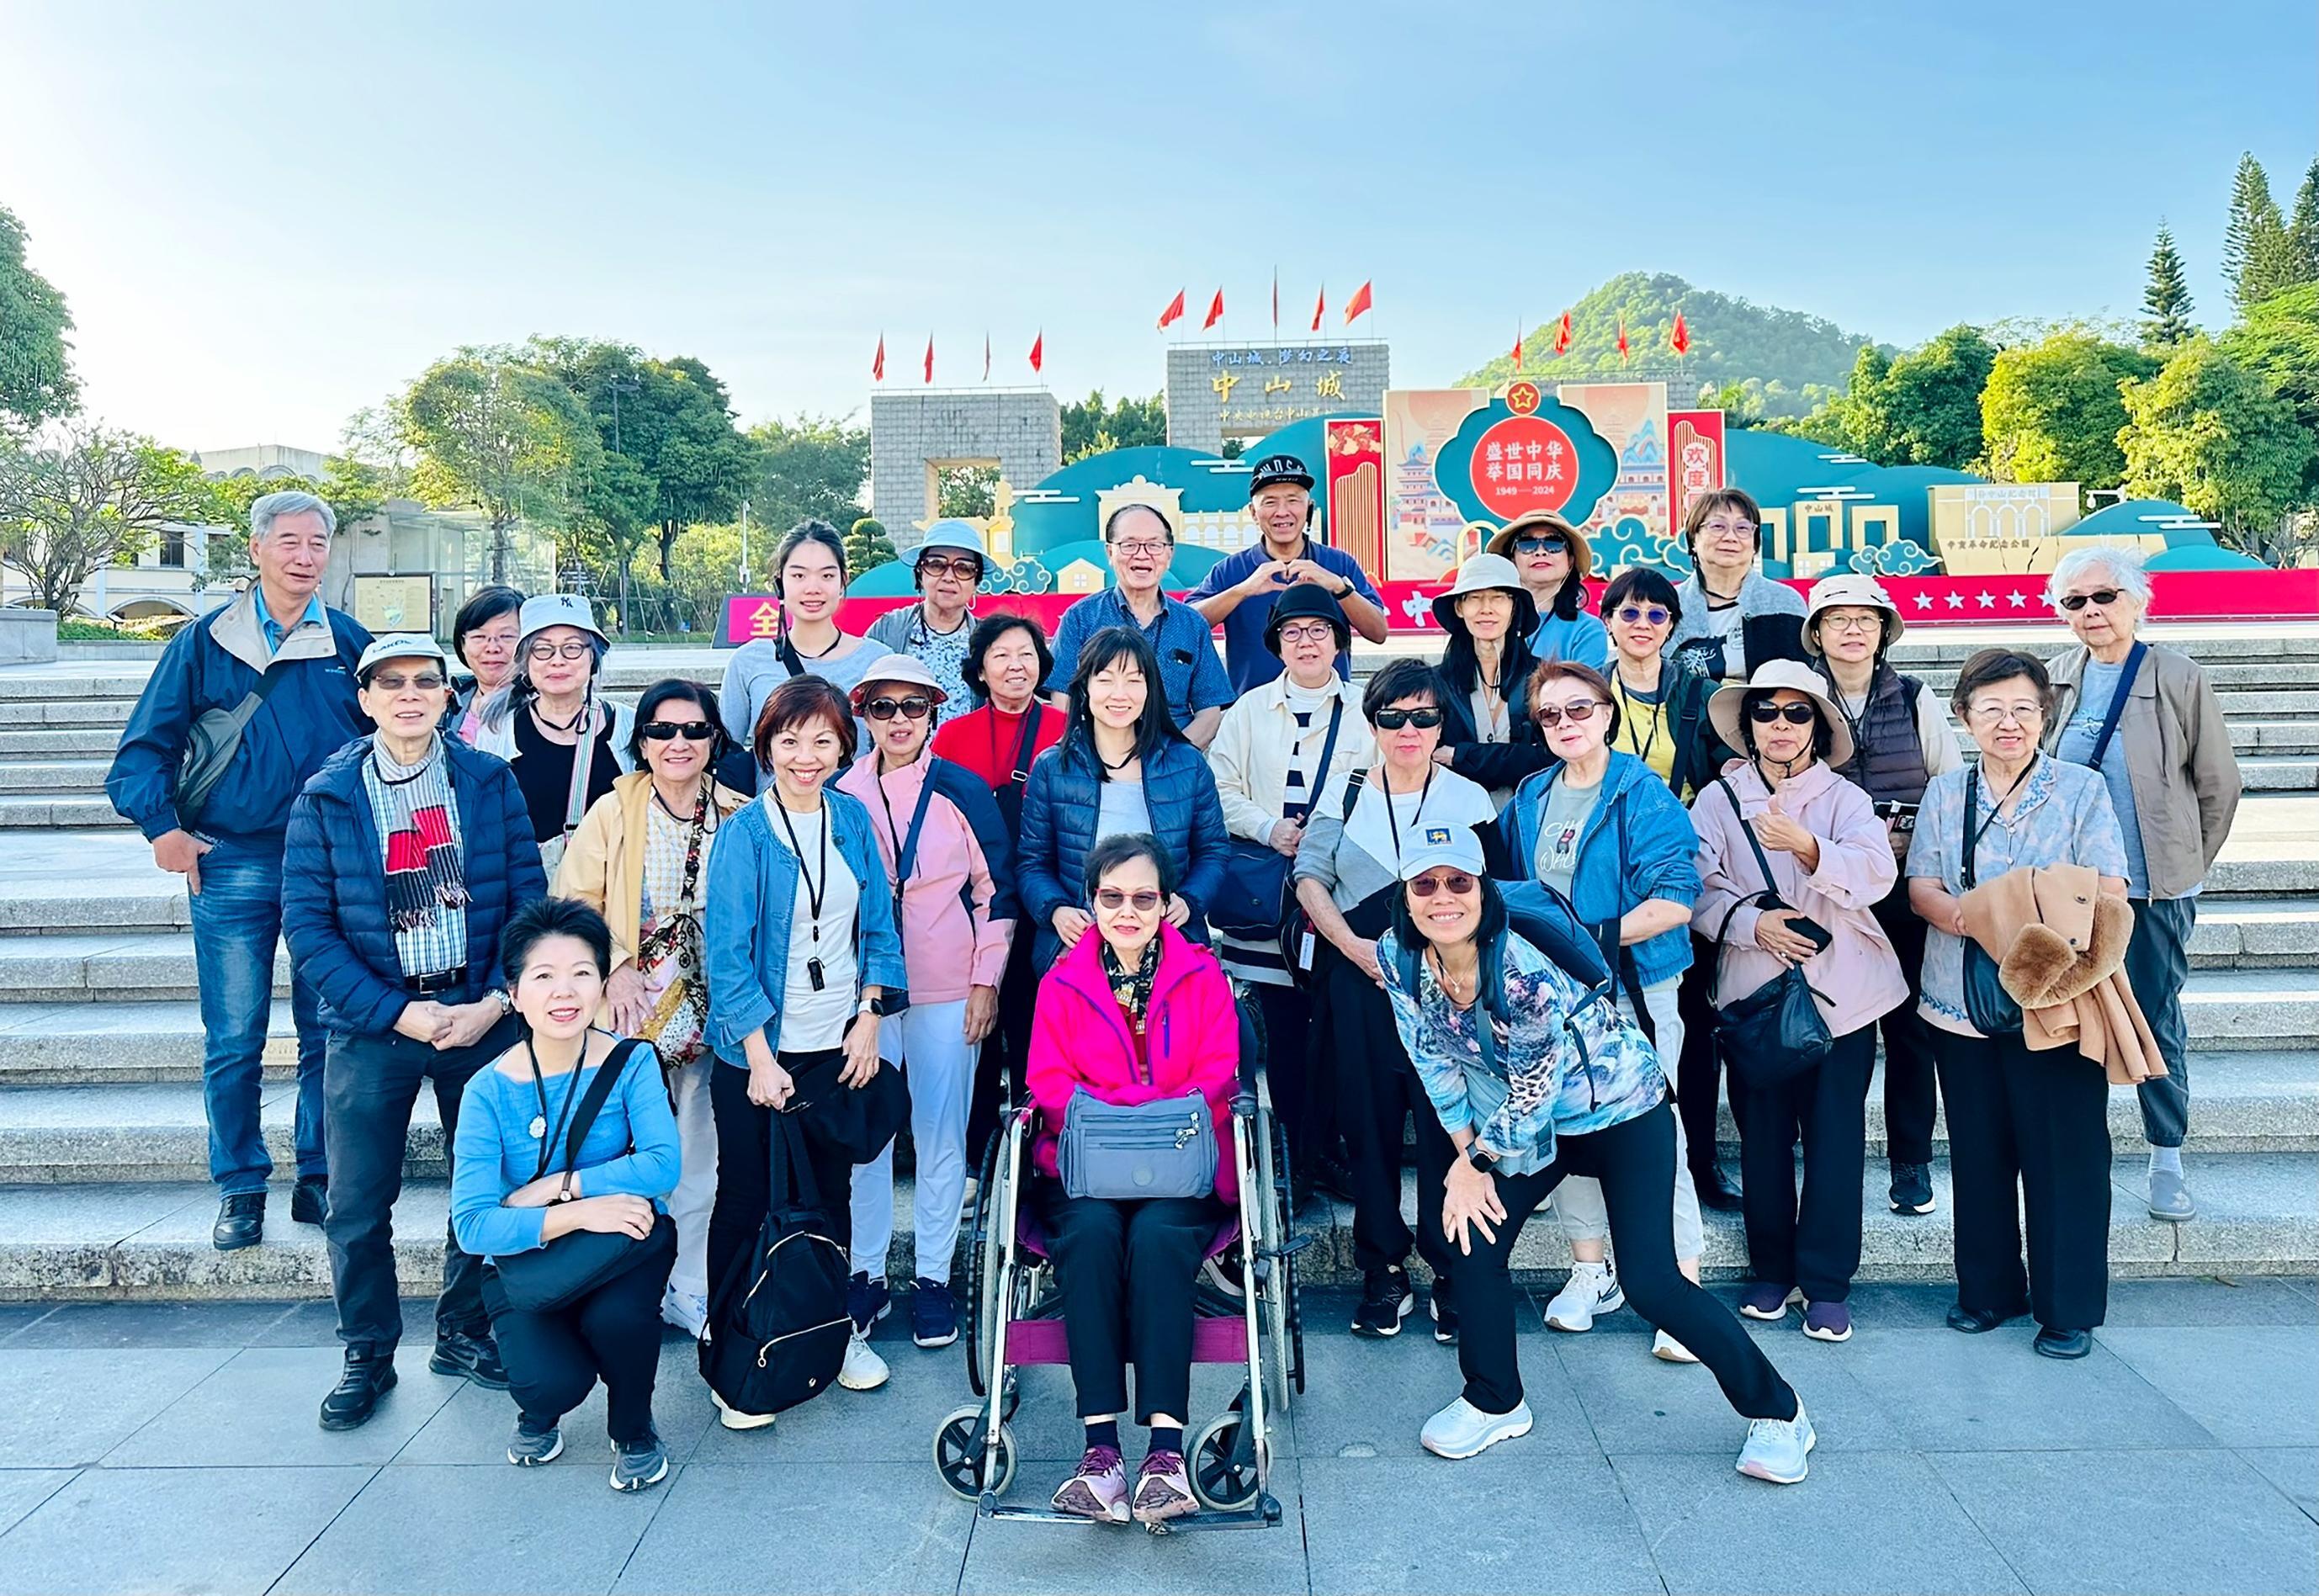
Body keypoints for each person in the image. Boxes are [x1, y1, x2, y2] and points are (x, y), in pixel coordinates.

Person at [1377, 829, 1816, 1481]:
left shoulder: (1519, 968)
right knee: (1471, 1235)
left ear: (1484, 889)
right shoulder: (1397, 954)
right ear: (1405, 896)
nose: (1444, 897)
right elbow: (1431, 1057)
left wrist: (1475, 1164)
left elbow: (1534, 1089)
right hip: (1536, 1123)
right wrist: (1466, 1156)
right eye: (1425, 883)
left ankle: (1781, 1411)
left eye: (1459, 881)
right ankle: (1495, 1398)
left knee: (1652, 1282)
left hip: (1623, 1109)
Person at [280, 633, 547, 1429]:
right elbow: (308, 929)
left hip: (476, 1013)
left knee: (486, 1185)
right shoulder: (327, 795)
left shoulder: (489, 781)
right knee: (357, 1202)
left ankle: (463, 1329)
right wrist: (397, 1011)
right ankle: (367, 1350)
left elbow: (528, 903)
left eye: (424, 682)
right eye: (390, 682)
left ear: (446, 696)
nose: (408, 695)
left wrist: (495, 1002)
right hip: (374, 1023)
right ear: (364, 699)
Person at [105, 490, 371, 1253]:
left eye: (317, 542)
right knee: (233, 1036)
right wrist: (164, 829)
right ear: (255, 549)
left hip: (329, 864)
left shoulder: (350, 642)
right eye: (288, 541)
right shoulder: (203, 643)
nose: (304, 556)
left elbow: (397, 735)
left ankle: (319, 1173)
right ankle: (241, 1184)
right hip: (232, 860)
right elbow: (142, 751)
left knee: (330, 1029)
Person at [1908, 650, 2130, 1359]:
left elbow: (2110, 886)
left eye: (2024, 709)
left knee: (2067, 1154)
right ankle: (1989, 1289)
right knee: (1978, 1152)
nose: (2009, 722)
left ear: (2044, 716)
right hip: (1961, 999)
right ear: (1964, 716)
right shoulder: (1947, 792)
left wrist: (2021, 925)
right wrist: (1982, 919)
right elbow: (1922, 887)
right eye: (1992, 709)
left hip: (2059, 999)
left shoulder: (2081, 788)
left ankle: (2068, 1307)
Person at [703, 674, 908, 1422]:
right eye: (790, 740)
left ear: (843, 746)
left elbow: (879, 926)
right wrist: (760, 1059)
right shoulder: (745, 835)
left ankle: (832, 1329)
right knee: (747, 1198)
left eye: (823, 740)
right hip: (757, 1053)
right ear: (766, 746)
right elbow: (727, 957)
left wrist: (870, 1015)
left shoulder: (850, 818)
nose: (806, 756)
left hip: (836, 1046)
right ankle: (732, 1347)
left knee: (831, 1195)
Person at [1497, 661, 1707, 1361]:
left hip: (1631, 989)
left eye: (1579, 708)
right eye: (1550, 714)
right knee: (1562, 1127)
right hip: (1550, 996)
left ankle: (1681, 1284)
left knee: (1655, 1133)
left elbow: (1676, 898)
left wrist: (1587, 937)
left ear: (1608, 711)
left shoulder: (1641, 792)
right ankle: (1592, 1267)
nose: (1566, 723)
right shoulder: (1531, 794)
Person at [1029, 834, 1240, 1527]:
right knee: (1089, 1235)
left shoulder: (1202, 975)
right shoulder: (1061, 982)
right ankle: (1101, 1453)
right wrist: (1137, 1110)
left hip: (1179, 1166)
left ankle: (1165, 1454)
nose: (1127, 910)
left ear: (1166, 902)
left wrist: (1127, 1111)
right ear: (1091, 902)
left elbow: (1219, 1073)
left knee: (1157, 1239)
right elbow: (1046, 1082)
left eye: (1143, 897)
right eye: (1112, 896)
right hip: (1085, 1168)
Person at [1691, 660, 1906, 1344]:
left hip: (1842, 995)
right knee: (1762, 1137)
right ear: (1747, 723)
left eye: (1796, 712)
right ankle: (1771, 1268)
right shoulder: (1718, 800)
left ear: (1818, 726)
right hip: (1755, 995)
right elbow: (1695, 885)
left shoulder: (1845, 798)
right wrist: (1752, 923)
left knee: (1835, 1139)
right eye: (1766, 711)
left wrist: (1810, 847)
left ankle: (1827, 1282)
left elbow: (1877, 873)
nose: (1779, 725)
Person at [1292, 658, 1497, 1341]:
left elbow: (1496, 891)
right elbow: (1309, 877)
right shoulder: (1346, 791)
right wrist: (1353, 947)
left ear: (1441, 724)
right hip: (1360, 986)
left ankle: (1450, 1269)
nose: (1409, 729)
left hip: (1448, 990)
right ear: (1373, 722)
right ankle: (1381, 1269)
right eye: (1393, 716)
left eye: (1424, 716)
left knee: (1445, 1128)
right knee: (1368, 1129)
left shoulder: (1469, 797)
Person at [448, 897, 681, 1490]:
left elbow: (662, 1167)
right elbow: (473, 1225)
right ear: (514, 992)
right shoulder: (486, 1090)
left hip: (619, 1245)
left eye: (581, 973)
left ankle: (633, 1428)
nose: (564, 992)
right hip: (530, 1260)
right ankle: (540, 1409)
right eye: (544, 976)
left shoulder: (632, 1062)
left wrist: (562, 1187)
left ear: (602, 983)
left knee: (620, 1321)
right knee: (550, 1384)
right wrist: (579, 1213)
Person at [2041, 545, 2242, 1223]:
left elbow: (2219, 785)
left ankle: (2166, 1154)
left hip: (2154, 890)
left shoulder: (2178, 675)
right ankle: (2080, 1155)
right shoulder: (2054, 679)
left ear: (2136, 600)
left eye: (2105, 596)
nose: (2092, 611)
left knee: (2155, 1018)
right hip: (2074, 893)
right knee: (2071, 1021)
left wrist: (2184, 864)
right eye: (2075, 601)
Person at [551, 678, 751, 1338]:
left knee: (701, 1156)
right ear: (641, 740)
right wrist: (615, 967)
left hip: (715, 1010)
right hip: (630, 1011)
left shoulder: (740, 812)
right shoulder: (614, 810)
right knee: (620, 1150)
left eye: (694, 729)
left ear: (715, 738)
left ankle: (688, 1286)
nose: (678, 742)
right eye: (662, 730)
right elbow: (575, 901)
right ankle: (616, 1288)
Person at [835, 655, 1016, 1352]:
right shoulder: (840, 790)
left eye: (914, 706)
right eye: (884, 707)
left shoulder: (962, 788)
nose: (900, 719)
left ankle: (934, 1278)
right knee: (868, 1138)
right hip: (867, 996)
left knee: (941, 1135)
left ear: (933, 713)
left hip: (947, 987)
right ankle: (867, 1272)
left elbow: (996, 891)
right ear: (865, 716)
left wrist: (985, 980)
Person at [1203, 585, 1375, 1199]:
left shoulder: (1365, 709)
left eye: (1319, 630)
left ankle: (1327, 1150)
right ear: (1276, 644)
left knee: (1340, 1034)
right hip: (1269, 904)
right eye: (1293, 632)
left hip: (1345, 895)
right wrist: (1268, 827)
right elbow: (1219, 788)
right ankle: (1292, 1159)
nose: (1307, 642)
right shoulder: (1249, 709)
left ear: (1339, 641)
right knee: (1284, 1032)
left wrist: (1327, 840)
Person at [1802, 574, 1964, 1217]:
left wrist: (1921, 852)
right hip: (1829, 888)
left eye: (1865, 619)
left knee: (1909, 1030)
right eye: (1837, 618)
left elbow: (1949, 787)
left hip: (1902, 886)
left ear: (1883, 631)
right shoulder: (1799, 697)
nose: (1852, 629)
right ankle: (1820, 1153)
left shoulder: (1915, 696)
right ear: (1816, 632)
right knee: (1829, 1027)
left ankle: (1910, 1161)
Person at [931, 613, 1066, 1179]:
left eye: (1027, 654)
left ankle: (1041, 1161)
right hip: (974, 908)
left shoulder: (1067, 728)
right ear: (980, 670)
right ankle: (977, 1161)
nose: (1016, 666)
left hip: (1043, 900)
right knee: (978, 1033)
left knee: (1037, 1028)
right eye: (1002, 655)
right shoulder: (951, 736)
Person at [1016, 626, 1229, 972]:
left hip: (1168, 946)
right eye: (1106, 679)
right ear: (1085, 687)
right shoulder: (1052, 767)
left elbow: (1214, 850)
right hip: (1079, 949)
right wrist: (1055, 909)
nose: (1120, 694)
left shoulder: (1187, 764)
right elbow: (1032, 861)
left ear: (1150, 689)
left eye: (1133, 680)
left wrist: (1190, 901)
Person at [1186, 453, 1388, 694]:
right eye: (1270, 502)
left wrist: (1339, 588)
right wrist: (1242, 591)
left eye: (1293, 500)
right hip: (1253, 710)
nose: (1282, 512)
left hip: (1331, 707)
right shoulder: (1230, 570)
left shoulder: (1339, 564)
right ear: (1253, 512)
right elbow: (1186, 625)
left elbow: (1378, 632)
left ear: (1309, 507)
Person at [467, 593, 636, 870]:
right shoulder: (498, 730)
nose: (558, 661)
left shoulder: (627, 725)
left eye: (572, 648)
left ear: (593, 657)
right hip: (527, 886)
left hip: (612, 885)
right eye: (543, 650)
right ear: (526, 661)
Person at [719, 519, 894, 784]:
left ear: (843, 581)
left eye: (827, 576)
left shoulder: (877, 660)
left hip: (854, 809)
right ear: (780, 582)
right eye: (799, 576)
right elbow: (725, 752)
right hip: (771, 810)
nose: (813, 588)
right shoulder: (748, 661)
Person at [1045, 503, 1232, 748]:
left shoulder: (1192, 624)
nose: (1142, 555)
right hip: (1099, 757)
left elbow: (1210, 711)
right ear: (1110, 552)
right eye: (1129, 544)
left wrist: (1175, 758)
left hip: (1175, 756)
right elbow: (1062, 699)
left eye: (1154, 545)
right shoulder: (1081, 618)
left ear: (1169, 554)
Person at [1430, 553, 1553, 803]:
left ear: (1514, 607)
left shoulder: (1544, 678)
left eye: (1498, 597)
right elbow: (1432, 756)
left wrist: (1462, 755)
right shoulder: (1436, 683)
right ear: (1459, 607)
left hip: (1534, 812)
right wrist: (1516, 756)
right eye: (1475, 598)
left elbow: (1550, 757)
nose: (1486, 609)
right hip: (1457, 813)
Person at [1599, 566, 1727, 800]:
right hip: (1608, 818)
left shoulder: (1704, 695)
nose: (1642, 624)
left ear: (1669, 626)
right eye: (1630, 613)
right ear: (1608, 621)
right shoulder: (1589, 692)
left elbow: (1730, 774)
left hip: (1685, 818)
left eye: (1656, 615)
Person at [1664, 489, 1806, 683]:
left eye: (1742, 528)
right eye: (1718, 526)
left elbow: (1802, 680)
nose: (1730, 537)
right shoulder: (1668, 604)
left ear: (1754, 544)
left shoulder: (1784, 602)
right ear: (1693, 539)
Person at [865, 520, 986, 710]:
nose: (949, 577)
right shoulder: (887, 630)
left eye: (963, 568)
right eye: (936, 565)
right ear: (920, 574)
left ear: (976, 582)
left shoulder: (988, 639)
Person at [1484, 510, 1610, 670]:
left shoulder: (1587, 629)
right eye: (1527, 544)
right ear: (1512, 560)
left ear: (1570, 561)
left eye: (1554, 543)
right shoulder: (1488, 620)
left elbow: (1582, 684)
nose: (1540, 552)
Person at [449, 584, 524, 741]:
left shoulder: (544, 708)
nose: (492, 648)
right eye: (479, 637)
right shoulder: (447, 706)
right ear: (462, 644)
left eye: (506, 636)